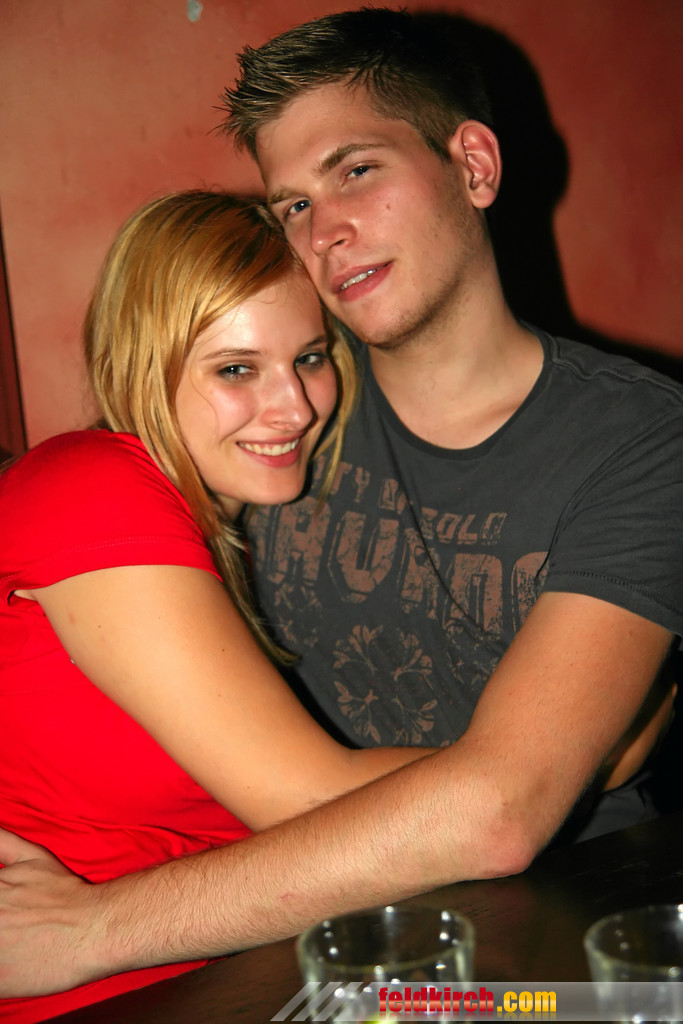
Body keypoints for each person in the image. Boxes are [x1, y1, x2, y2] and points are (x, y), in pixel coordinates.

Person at [0, 6, 681, 1001]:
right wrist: (564, 763)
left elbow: (502, 814)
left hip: (549, 923)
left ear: (473, 166)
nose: (323, 233)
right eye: (291, 204)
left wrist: (535, 780)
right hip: (297, 942)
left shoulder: (638, 440)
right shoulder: (270, 429)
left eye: (355, 170)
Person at [0, 189, 439, 1022]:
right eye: (235, 369)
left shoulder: (228, 531)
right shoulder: (89, 486)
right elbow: (315, 803)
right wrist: (563, 757)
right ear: (144, 361)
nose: (294, 407)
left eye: (309, 357)